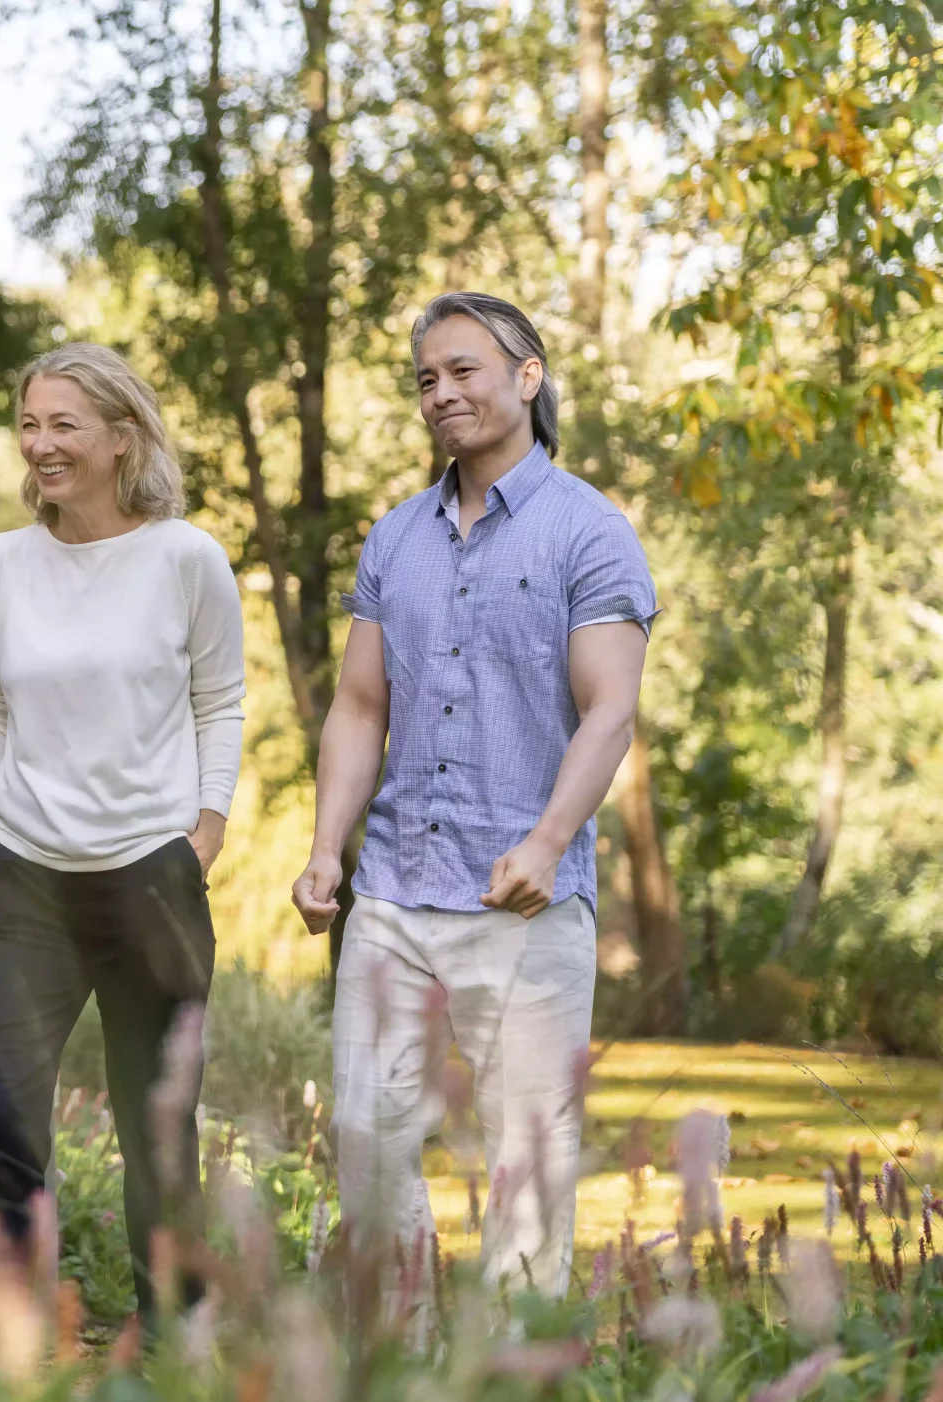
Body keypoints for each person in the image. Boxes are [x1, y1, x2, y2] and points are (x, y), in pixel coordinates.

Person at [292, 292, 658, 1298]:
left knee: (524, 1171)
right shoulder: (395, 539)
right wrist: (329, 849)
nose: (441, 392)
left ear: (526, 378)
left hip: (522, 902)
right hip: (395, 896)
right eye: (425, 379)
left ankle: (509, 1372)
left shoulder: (590, 533)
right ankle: (400, 1359)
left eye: (462, 370)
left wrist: (546, 841)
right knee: (364, 1140)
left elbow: (609, 713)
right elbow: (360, 708)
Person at [0, 342, 246, 1320]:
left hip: (148, 880)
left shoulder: (185, 558)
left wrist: (200, 833)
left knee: (158, 1137)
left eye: (62, 425)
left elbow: (222, 701)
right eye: (29, 424)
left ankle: (178, 1359)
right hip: (18, 879)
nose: (40, 444)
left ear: (123, 438)